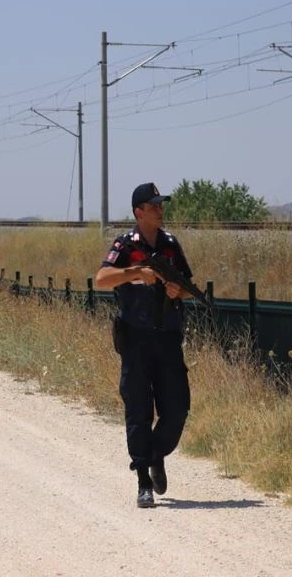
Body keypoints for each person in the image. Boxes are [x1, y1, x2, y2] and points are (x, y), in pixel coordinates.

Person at [95, 182, 195, 508]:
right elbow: (101, 279)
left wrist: (177, 291)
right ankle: (143, 481)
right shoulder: (125, 245)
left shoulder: (170, 245)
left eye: (161, 205)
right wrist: (136, 272)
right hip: (136, 339)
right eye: (154, 206)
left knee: (177, 408)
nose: (160, 210)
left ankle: (155, 454)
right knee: (138, 410)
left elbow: (186, 285)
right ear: (139, 212)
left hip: (167, 337)